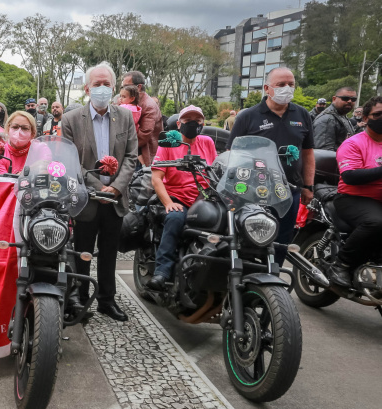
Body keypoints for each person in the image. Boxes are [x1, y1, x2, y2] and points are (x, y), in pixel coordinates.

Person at [61, 62, 138, 322]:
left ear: (114, 87)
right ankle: (81, 301)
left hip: (115, 199)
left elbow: (131, 156)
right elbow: (71, 161)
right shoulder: (71, 119)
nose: (102, 89)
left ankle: (107, 300)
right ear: (87, 88)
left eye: (107, 84)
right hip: (87, 199)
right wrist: (98, 187)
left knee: (109, 254)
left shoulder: (125, 117)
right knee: (82, 252)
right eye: (97, 84)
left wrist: (116, 187)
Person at [229, 67, 315, 266]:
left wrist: (308, 186)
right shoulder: (248, 116)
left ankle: (273, 278)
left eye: (291, 84)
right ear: (267, 88)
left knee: (281, 240)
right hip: (254, 191)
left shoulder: (302, 115)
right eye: (281, 85)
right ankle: (247, 279)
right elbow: (232, 153)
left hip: (289, 190)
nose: (287, 88)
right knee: (249, 237)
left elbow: (308, 152)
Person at [146, 106, 218, 291]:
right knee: (175, 218)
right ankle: (162, 272)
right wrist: (169, 203)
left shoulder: (207, 142)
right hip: (179, 198)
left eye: (197, 120)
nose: (193, 123)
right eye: (188, 120)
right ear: (179, 124)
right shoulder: (169, 143)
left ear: (203, 124)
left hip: (205, 199)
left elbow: (217, 171)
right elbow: (156, 179)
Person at [327, 96, 382, 287]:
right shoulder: (354, 143)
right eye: (378, 114)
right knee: (376, 222)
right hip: (353, 198)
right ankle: (342, 264)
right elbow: (350, 176)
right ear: (365, 118)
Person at [122, 71, 163, 166]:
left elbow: (143, 135)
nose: (124, 89)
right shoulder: (132, 102)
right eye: (123, 87)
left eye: (126, 86)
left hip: (143, 159)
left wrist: (122, 144)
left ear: (139, 87)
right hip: (134, 154)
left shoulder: (149, 106)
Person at [0, 111, 39, 175]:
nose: (19, 132)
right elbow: (2, 183)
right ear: (8, 129)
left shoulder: (40, 149)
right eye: (15, 127)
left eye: (25, 128)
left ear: (32, 133)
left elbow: (46, 170)